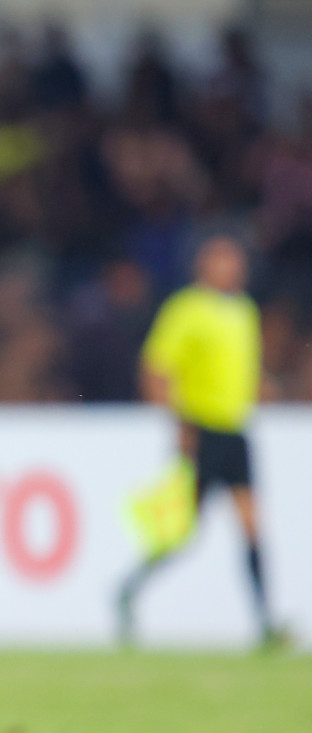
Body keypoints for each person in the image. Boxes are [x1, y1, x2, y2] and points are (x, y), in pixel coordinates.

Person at [117, 235, 288, 649]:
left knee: (251, 527)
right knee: (183, 532)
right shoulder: (186, 308)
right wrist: (178, 424)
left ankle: (265, 623)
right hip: (202, 431)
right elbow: (157, 367)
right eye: (222, 260)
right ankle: (129, 588)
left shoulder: (244, 311)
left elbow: (245, 372)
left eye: (235, 260)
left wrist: (264, 388)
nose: (231, 267)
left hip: (236, 431)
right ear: (204, 266)